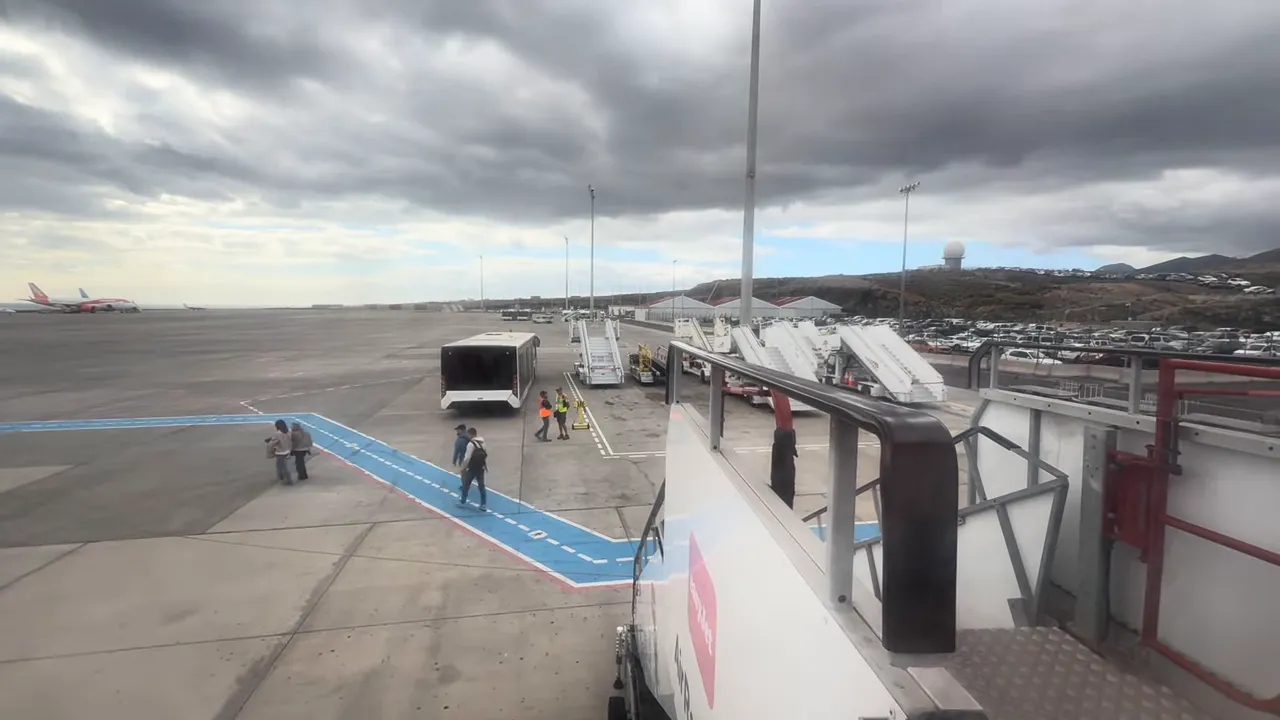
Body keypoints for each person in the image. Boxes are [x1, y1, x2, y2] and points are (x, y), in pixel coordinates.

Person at [459, 427, 487, 509]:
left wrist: (463, 468)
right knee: (481, 486)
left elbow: (467, 458)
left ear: (470, 434)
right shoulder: (483, 442)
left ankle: (462, 501)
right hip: (481, 467)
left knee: (466, 485)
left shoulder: (471, 444)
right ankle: (483, 504)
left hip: (472, 468)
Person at [265, 419, 294, 485]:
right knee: (284, 466)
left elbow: (273, 442)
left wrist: (270, 445)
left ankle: (285, 479)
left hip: (280, 452)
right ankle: (285, 479)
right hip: (287, 450)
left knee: (280, 466)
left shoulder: (278, 434)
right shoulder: (288, 432)